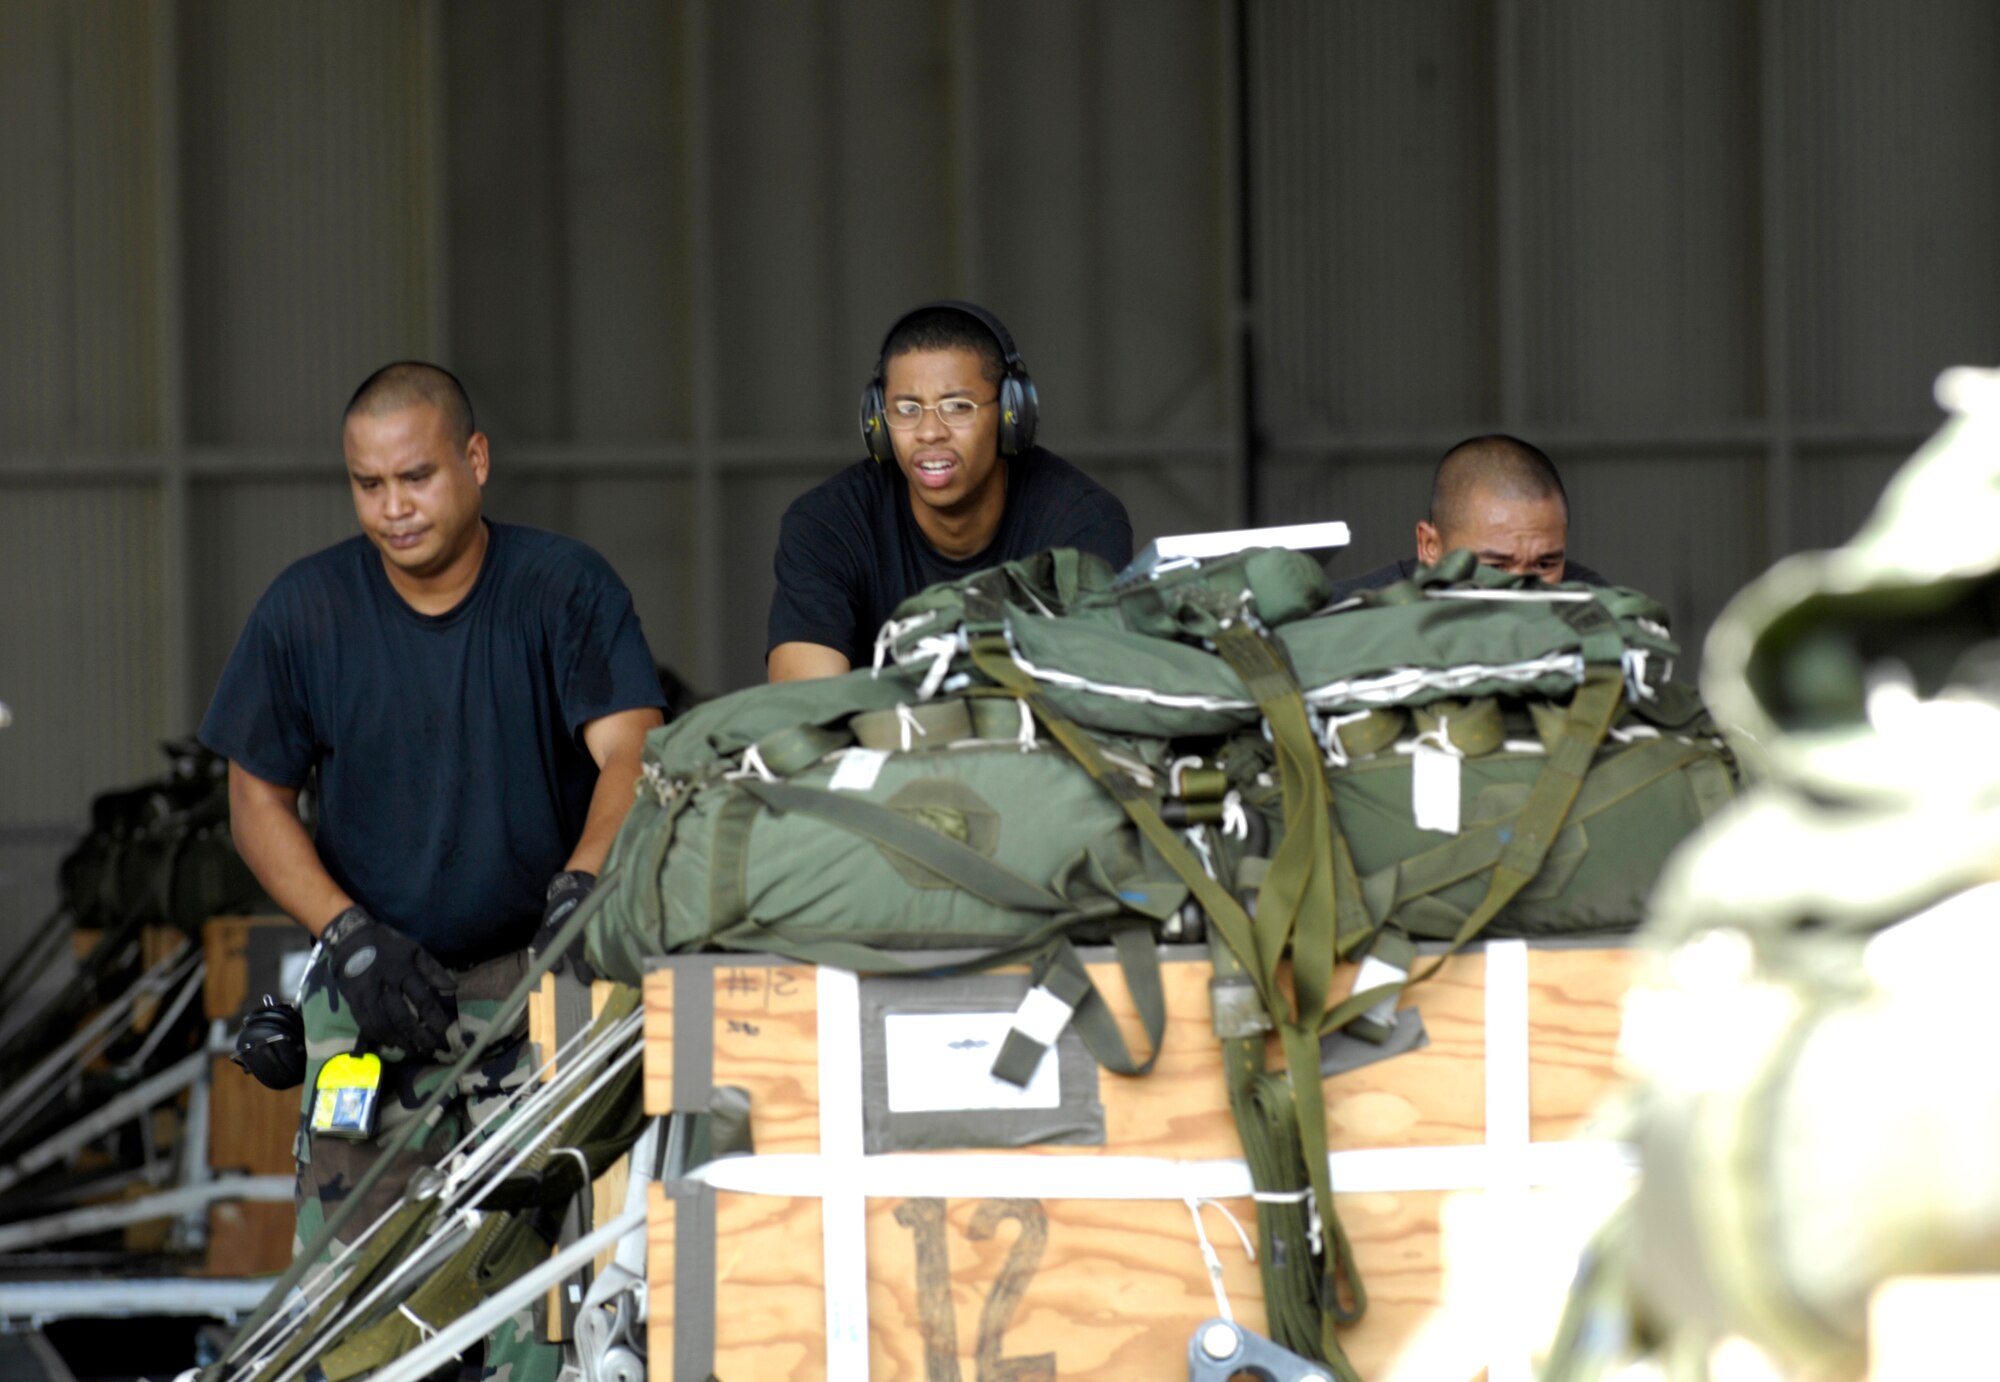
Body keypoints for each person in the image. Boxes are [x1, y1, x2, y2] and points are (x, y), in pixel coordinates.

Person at [199, 362, 666, 1381]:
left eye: (415, 476)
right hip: (373, 981)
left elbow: (632, 752)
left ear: (476, 460)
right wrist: (346, 934)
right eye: (367, 484)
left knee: (537, 1299)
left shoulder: (561, 588)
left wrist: (582, 890)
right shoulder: (307, 608)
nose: (393, 508)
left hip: (534, 979)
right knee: (352, 1304)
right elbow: (255, 798)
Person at [766, 300, 1133, 681]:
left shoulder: (1081, 521)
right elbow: (804, 701)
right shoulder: (828, 525)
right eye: (907, 409)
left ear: (1012, 415)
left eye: (957, 406)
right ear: (878, 421)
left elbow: (1093, 692)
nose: (929, 432)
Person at [1328, 434, 1609, 600]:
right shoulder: (1352, 620)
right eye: (1495, 567)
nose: (1521, 593)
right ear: (1430, 546)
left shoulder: (1594, 608)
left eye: (1544, 564)